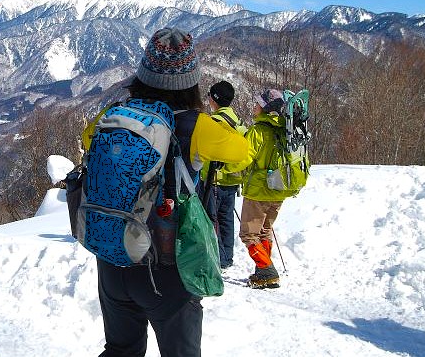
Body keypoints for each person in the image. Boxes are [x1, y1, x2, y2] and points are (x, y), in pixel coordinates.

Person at [94, 28, 249, 357]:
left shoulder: (114, 116)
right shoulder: (199, 127)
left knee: (120, 351)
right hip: (167, 269)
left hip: (113, 260)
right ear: (191, 82)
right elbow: (242, 152)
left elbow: (87, 140)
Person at [223, 88, 289, 289]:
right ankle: (263, 273)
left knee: (249, 234)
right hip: (279, 188)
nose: (254, 107)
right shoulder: (284, 129)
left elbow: (244, 158)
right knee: (264, 231)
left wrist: (224, 167)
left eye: (258, 104)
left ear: (265, 108)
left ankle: (267, 270)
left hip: (259, 189)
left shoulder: (258, 131)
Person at [204, 80, 247, 269]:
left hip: (214, 180)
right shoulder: (239, 123)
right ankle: (227, 257)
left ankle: (219, 258)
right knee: (227, 219)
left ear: (214, 99)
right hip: (233, 180)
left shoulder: (214, 122)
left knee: (212, 220)